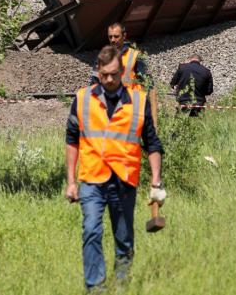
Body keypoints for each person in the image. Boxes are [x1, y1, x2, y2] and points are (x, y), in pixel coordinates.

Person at [66, 45, 166, 291]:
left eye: (113, 74)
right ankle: (95, 287)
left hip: (124, 179)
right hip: (92, 178)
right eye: (103, 74)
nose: (108, 79)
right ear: (97, 72)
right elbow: (71, 140)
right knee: (90, 230)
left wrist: (156, 180)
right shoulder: (82, 98)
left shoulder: (139, 101)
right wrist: (70, 181)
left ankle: (121, 285)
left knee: (123, 238)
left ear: (122, 72)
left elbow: (152, 142)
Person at [90, 22, 149, 91]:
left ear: (124, 36)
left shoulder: (135, 55)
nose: (112, 40)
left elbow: (146, 82)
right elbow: (94, 82)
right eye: (110, 37)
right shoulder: (101, 57)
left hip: (130, 99)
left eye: (116, 36)